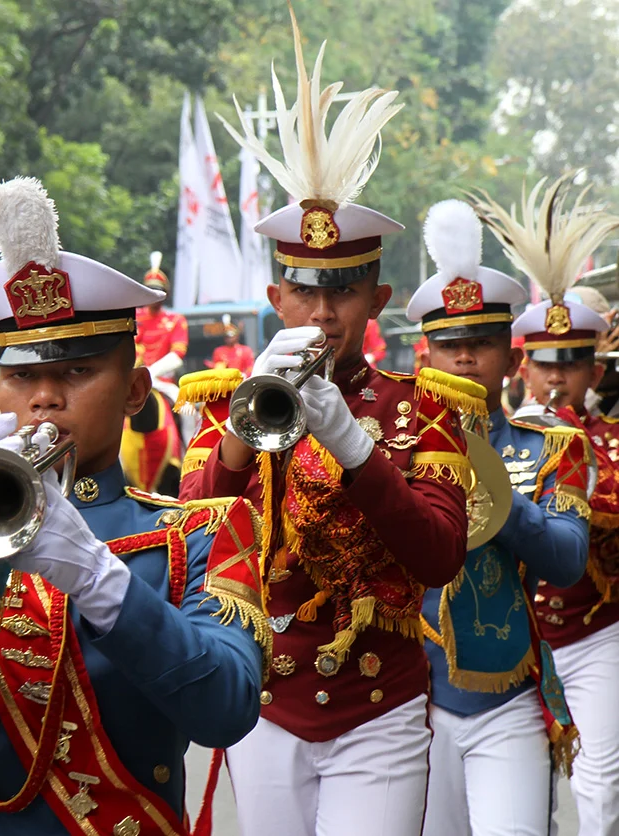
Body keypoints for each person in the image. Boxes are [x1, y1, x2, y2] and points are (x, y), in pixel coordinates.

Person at [0, 177, 269, 835]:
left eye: (77, 373)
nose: (44, 399)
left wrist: (98, 578)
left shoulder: (198, 532)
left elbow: (226, 708)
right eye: (22, 376)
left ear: (136, 389)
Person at [177, 10, 477, 834]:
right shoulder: (224, 402)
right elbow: (196, 529)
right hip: (268, 698)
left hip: (377, 702)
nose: (321, 313)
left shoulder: (421, 411)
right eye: (303, 291)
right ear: (274, 299)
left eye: (341, 291)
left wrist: (351, 439)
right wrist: (245, 423)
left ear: (376, 301)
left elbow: (439, 555)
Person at [407, 198, 589, 836]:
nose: (463, 359)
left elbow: (567, 560)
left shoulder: (550, 446)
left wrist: (491, 487)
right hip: (405, 702)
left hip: (508, 699)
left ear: (511, 361)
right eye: (449, 345)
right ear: (424, 357)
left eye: (480, 344)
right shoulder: (388, 455)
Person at [489, 180, 619, 836]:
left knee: (603, 776)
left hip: (596, 629)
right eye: (545, 363)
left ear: (595, 371)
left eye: (572, 363)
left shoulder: (613, 442)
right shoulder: (493, 439)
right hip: (509, 629)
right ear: (522, 367)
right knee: (517, 787)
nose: (556, 378)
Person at [134, 251, 189, 397]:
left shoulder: (175, 320)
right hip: (132, 379)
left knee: (185, 408)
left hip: (161, 379)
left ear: (166, 294)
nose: (154, 296)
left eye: (158, 291)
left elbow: (178, 354)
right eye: (150, 291)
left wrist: (150, 373)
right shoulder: (133, 316)